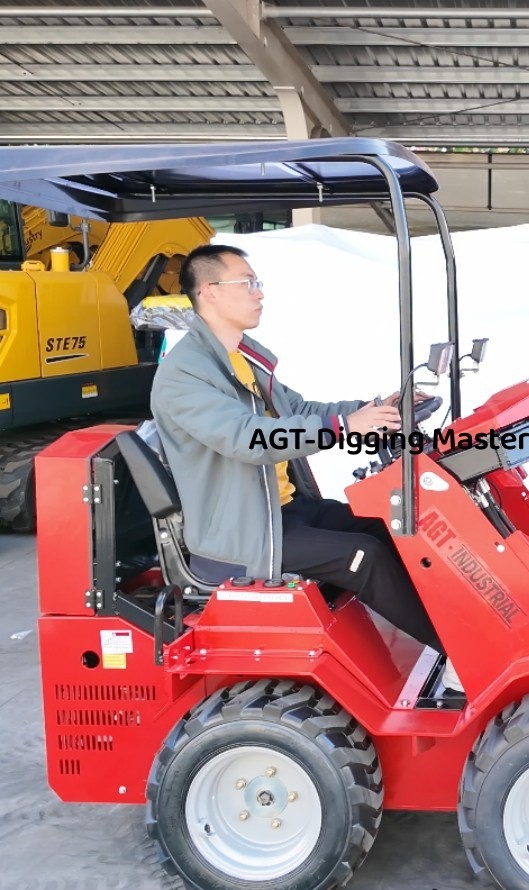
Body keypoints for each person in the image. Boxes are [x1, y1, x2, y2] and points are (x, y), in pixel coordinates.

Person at [150, 243, 463, 696]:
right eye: (248, 283)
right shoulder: (185, 375)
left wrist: (376, 409)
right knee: (364, 556)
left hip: (281, 509)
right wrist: (343, 427)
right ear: (210, 291)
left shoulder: (242, 358)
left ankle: (457, 630)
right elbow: (249, 438)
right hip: (240, 532)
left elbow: (299, 411)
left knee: (386, 527)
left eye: (257, 283)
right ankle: (461, 653)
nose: (259, 293)